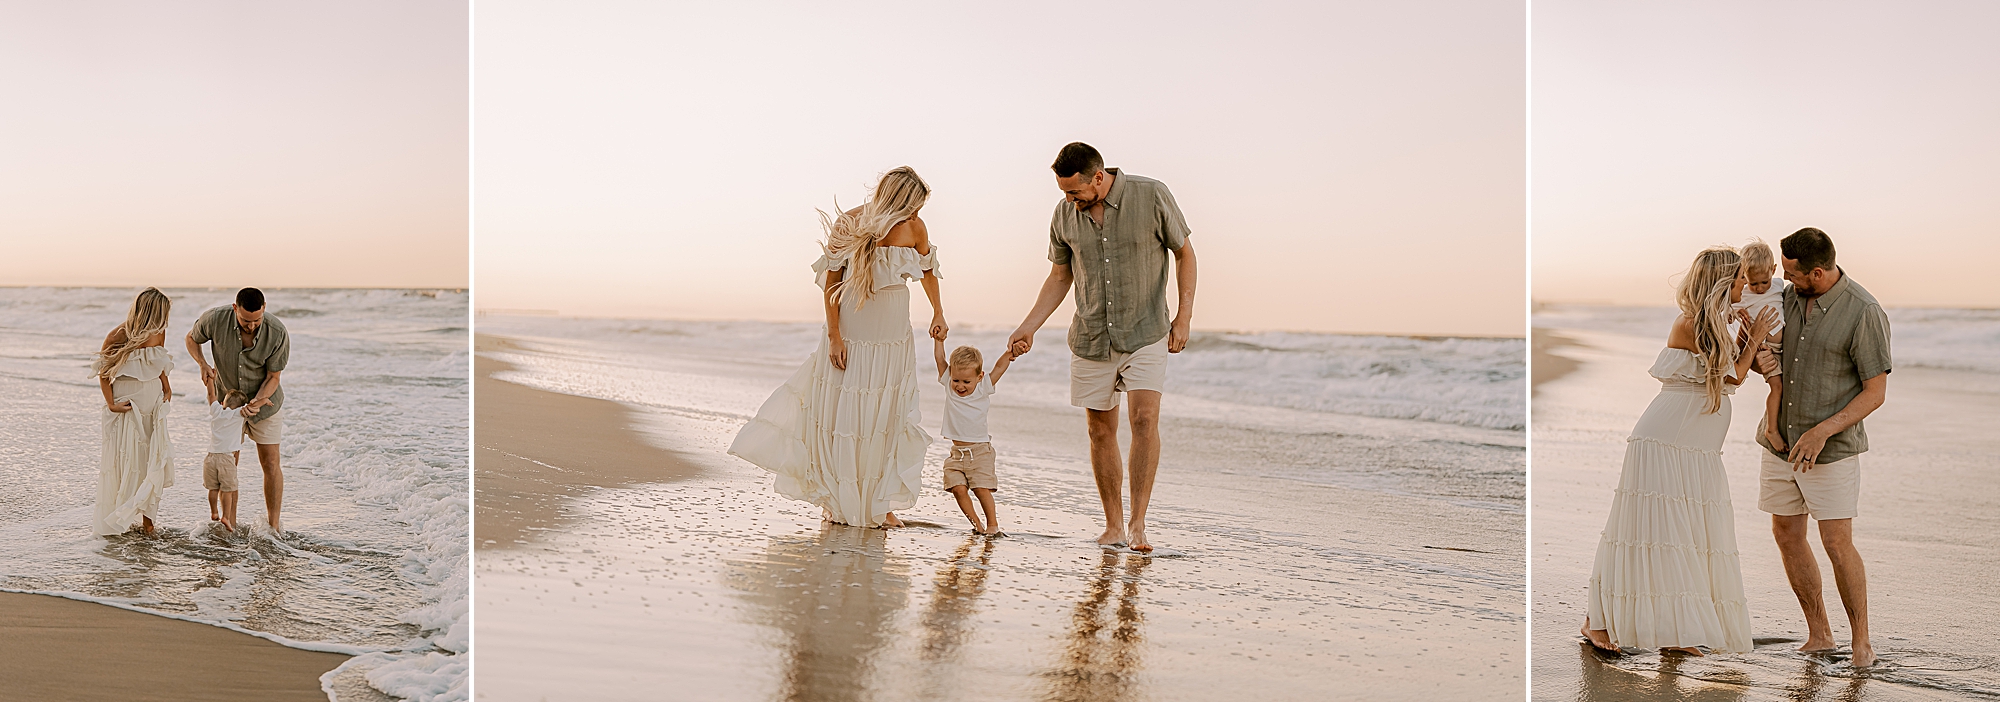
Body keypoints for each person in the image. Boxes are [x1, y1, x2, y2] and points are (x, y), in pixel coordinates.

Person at [1582, 246, 1776, 655]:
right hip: (1666, 442)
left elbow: (1726, 377)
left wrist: (1743, 334)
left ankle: (1675, 629)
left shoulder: (1715, 324)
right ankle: (1594, 622)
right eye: (1740, 277)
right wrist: (1753, 336)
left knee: (1682, 536)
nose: (1746, 284)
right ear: (1724, 282)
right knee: (1639, 531)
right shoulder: (1690, 325)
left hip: (1695, 448)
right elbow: (1732, 377)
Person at [730, 166, 945, 529]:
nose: (918, 214)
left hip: (893, 331)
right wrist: (834, 335)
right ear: (897, 199)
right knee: (844, 415)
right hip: (853, 326)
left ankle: (879, 502)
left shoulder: (915, 228)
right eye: (913, 205)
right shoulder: (850, 223)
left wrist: (939, 311)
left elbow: (927, 270)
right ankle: (838, 498)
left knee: (885, 416)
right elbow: (832, 284)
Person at [1008, 142, 1197, 552]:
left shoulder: (1151, 195)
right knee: (1099, 431)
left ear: (1098, 177)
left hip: (1146, 331)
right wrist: (1029, 326)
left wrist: (1184, 317)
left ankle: (1138, 523)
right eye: (1063, 193)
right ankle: (1112, 525)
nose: (1069, 201)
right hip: (1091, 335)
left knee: (1145, 419)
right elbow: (1060, 277)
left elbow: (1185, 254)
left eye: (1075, 191)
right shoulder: (1064, 215)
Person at [1754, 227, 1890, 668]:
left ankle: (1861, 642)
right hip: (1780, 444)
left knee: (1836, 542)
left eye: (1792, 274)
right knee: (1786, 533)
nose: (1785, 280)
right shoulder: (1784, 298)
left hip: (1830, 450)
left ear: (1817, 271)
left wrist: (1821, 431)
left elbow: (1875, 393)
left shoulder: (1864, 310)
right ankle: (1819, 634)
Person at [186, 287, 291, 531]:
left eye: (257, 320)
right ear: (235, 309)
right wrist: (202, 363)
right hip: (228, 405)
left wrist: (257, 401)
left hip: (265, 404)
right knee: (228, 464)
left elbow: (274, 376)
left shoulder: (277, 332)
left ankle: (273, 526)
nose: (252, 326)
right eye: (246, 320)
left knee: (270, 463)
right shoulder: (215, 319)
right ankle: (228, 524)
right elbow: (191, 338)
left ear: (264, 309)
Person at [92, 288, 177, 537]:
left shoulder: (159, 332)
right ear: (150, 311)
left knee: (153, 459)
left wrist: (167, 386)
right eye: (162, 313)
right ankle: (121, 516)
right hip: (127, 404)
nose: (166, 319)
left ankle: (148, 524)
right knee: (127, 461)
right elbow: (104, 372)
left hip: (152, 402)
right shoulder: (119, 335)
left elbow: (158, 361)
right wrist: (111, 405)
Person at [933, 338, 1014, 535]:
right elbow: (940, 359)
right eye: (956, 380)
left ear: (979, 377)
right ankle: (977, 524)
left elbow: (999, 367)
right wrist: (938, 340)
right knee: (958, 489)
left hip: (980, 453)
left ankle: (992, 525)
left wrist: (1010, 353)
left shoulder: (983, 387)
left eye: (966, 381)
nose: (960, 386)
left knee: (981, 489)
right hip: (957, 454)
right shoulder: (949, 385)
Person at [1735, 239, 1788, 452]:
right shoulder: (1743, 294)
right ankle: (1771, 430)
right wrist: (1736, 314)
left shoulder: (1778, 285)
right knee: (1777, 387)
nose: (1758, 288)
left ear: (1773, 270)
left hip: (1786, 348)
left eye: (1763, 282)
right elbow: (1728, 309)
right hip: (1766, 349)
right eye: (1752, 283)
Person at [204, 384, 249, 533]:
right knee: (228, 490)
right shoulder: (238, 414)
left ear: (223, 402)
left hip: (210, 457)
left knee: (213, 488)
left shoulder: (216, 411)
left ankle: (214, 512)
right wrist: (265, 401)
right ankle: (226, 517)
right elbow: (253, 405)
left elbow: (211, 395)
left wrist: (210, 380)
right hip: (227, 459)